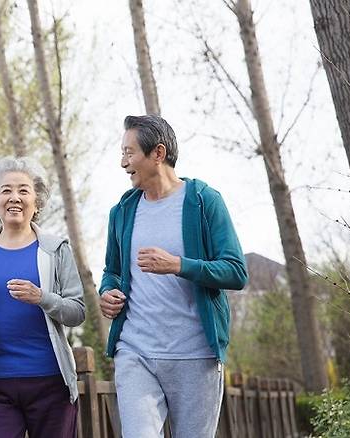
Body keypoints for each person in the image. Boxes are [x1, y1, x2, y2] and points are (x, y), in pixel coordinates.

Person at [99, 115, 248, 437]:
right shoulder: (122, 211)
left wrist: (180, 265)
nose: (123, 162)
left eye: (129, 153)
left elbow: (236, 272)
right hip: (135, 349)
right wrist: (107, 293)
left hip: (195, 353)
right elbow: (111, 271)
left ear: (158, 153)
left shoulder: (203, 201)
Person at [0, 156, 84, 438]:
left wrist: (42, 298)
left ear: (37, 201)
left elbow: (77, 311)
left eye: (23, 190)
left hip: (51, 380)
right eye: (6, 190)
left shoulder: (56, 249)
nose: (15, 197)